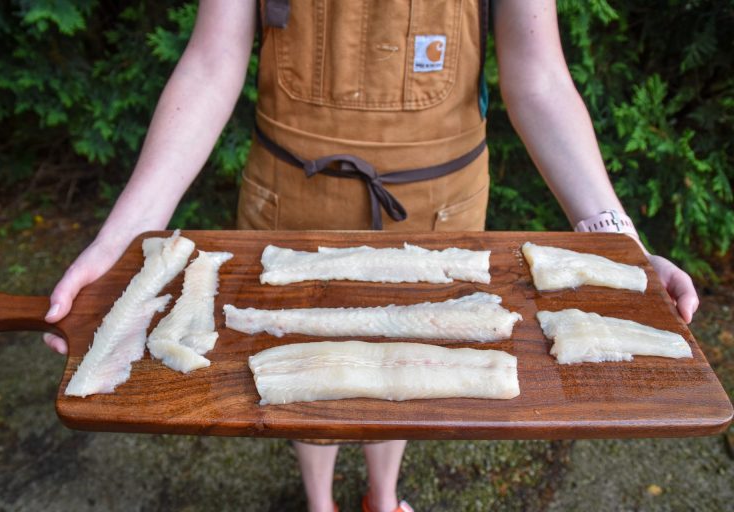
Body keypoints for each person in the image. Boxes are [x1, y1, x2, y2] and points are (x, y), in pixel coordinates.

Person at [42, 2, 700, 511]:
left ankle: (381, 497)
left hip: (444, 216)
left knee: (419, 372)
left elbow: (542, 80)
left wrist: (619, 241)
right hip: (289, 208)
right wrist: (123, 238)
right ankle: (319, 500)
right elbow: (213, 63)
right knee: (299, 376)